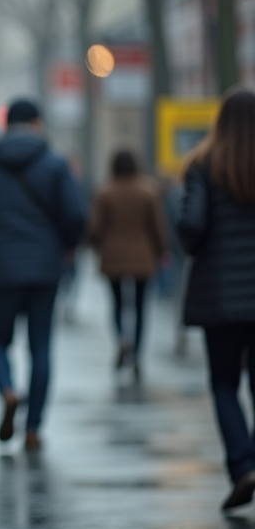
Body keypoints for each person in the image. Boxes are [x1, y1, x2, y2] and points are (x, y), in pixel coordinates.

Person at [0, 99, 85, 450]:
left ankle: (7, 391)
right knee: (40, 347)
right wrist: (68, 247)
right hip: (44, 269)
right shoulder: (55, 164)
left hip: (2, 268)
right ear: (37, 124)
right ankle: (34, 427)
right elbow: (76, 214)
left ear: (5, 125)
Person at [176, 89, 255, 511]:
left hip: (221, 295)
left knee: (224, 382)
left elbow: (191, 225)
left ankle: (243, 465)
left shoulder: (204, 166)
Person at [88, 149, 169, 378]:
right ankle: (138, 353)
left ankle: (122, 339)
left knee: (117, 304)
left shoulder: (105, 191)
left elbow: (96, 227)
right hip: (143, 255)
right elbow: (157, 225)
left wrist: (94, 245)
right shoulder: (148, 190)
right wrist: (163, 250)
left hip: (113, 255)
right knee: (141, 307)